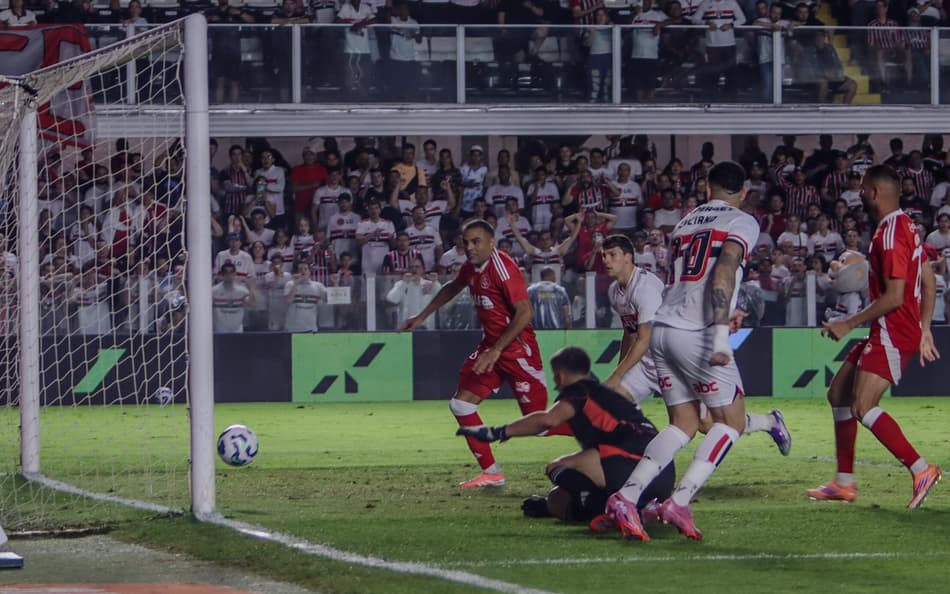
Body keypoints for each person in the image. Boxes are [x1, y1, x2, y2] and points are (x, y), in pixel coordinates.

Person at [605, 161, 775, 542]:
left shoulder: (685, 222)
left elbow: (687, 277)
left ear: (707, 190)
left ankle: (626, 496)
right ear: (743, 193)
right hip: (696, 331)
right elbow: (723, 273)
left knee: (683, 424)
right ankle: (679, 500)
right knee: (729, 423)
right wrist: (718, 334)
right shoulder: (742, 220)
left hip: (663, 329)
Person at [807, 165, 942, 509]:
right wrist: (925, 328)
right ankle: (844, 483)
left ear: (874, 193)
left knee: (863, 406)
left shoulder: (890, 234)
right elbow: (927, 281)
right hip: (895, 328)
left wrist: (848, 323)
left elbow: (896, 297)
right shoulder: (907, 225)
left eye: (864, 189)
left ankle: (921, 469)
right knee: (838, 393)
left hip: (893, 330)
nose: (860, 194)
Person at [400, 219, 570, 488]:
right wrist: (422, 315)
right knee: (461, 404)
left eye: (476, 241)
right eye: (466, 242)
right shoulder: (470, 267)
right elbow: (453, 287)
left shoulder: (503, 269)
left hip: (517, 351)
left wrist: (497, 349)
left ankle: (607, 430)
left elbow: (526, 312)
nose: (469, 247)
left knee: (542, 425)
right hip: (491, 348)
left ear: (492, 242)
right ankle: (492, 473)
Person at [458, 346, 675, 525]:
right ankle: (639, 508)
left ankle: (613, 511)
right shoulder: (607, 395)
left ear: (560, 376)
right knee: (556, 499)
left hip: (633, 462)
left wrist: (499, 431)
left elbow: (547, 420)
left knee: (558, 467)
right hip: (663, 475)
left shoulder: (579, 391)